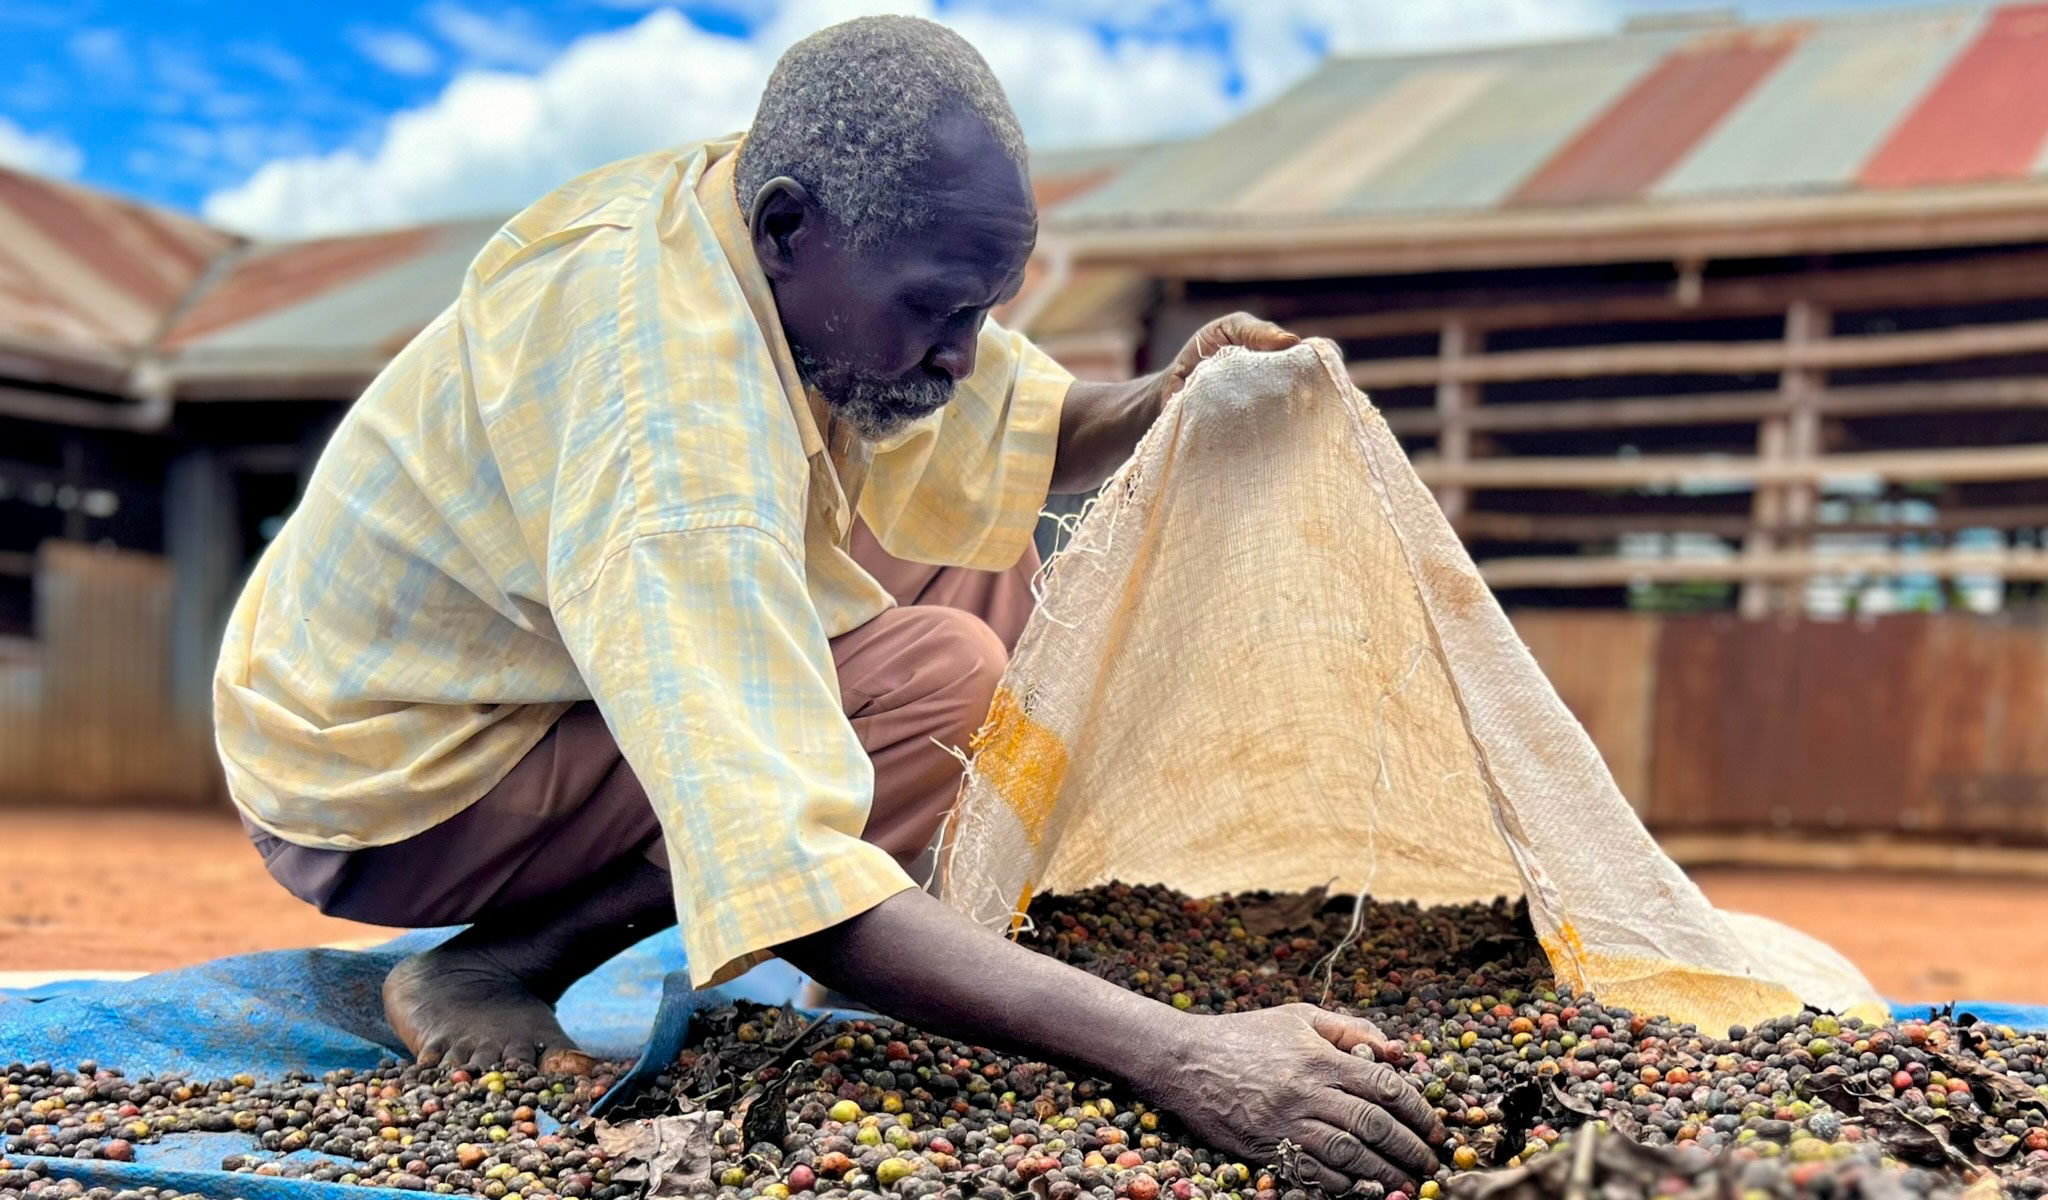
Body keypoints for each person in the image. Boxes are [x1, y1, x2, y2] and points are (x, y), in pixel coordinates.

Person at [213, 15, 1440, 1193]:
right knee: (941, 683)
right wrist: (1185, 1054)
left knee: (981, 547)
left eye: (983, 308)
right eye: (935, 310)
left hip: (523, 687)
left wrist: (1171, 397)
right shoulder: (673, 425)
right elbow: (782, 861)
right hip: (392, 778)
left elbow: (1008, 426)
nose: (960, 350)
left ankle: (925, 940)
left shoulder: (759, 232)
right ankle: (494, 967)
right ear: (791, 227)